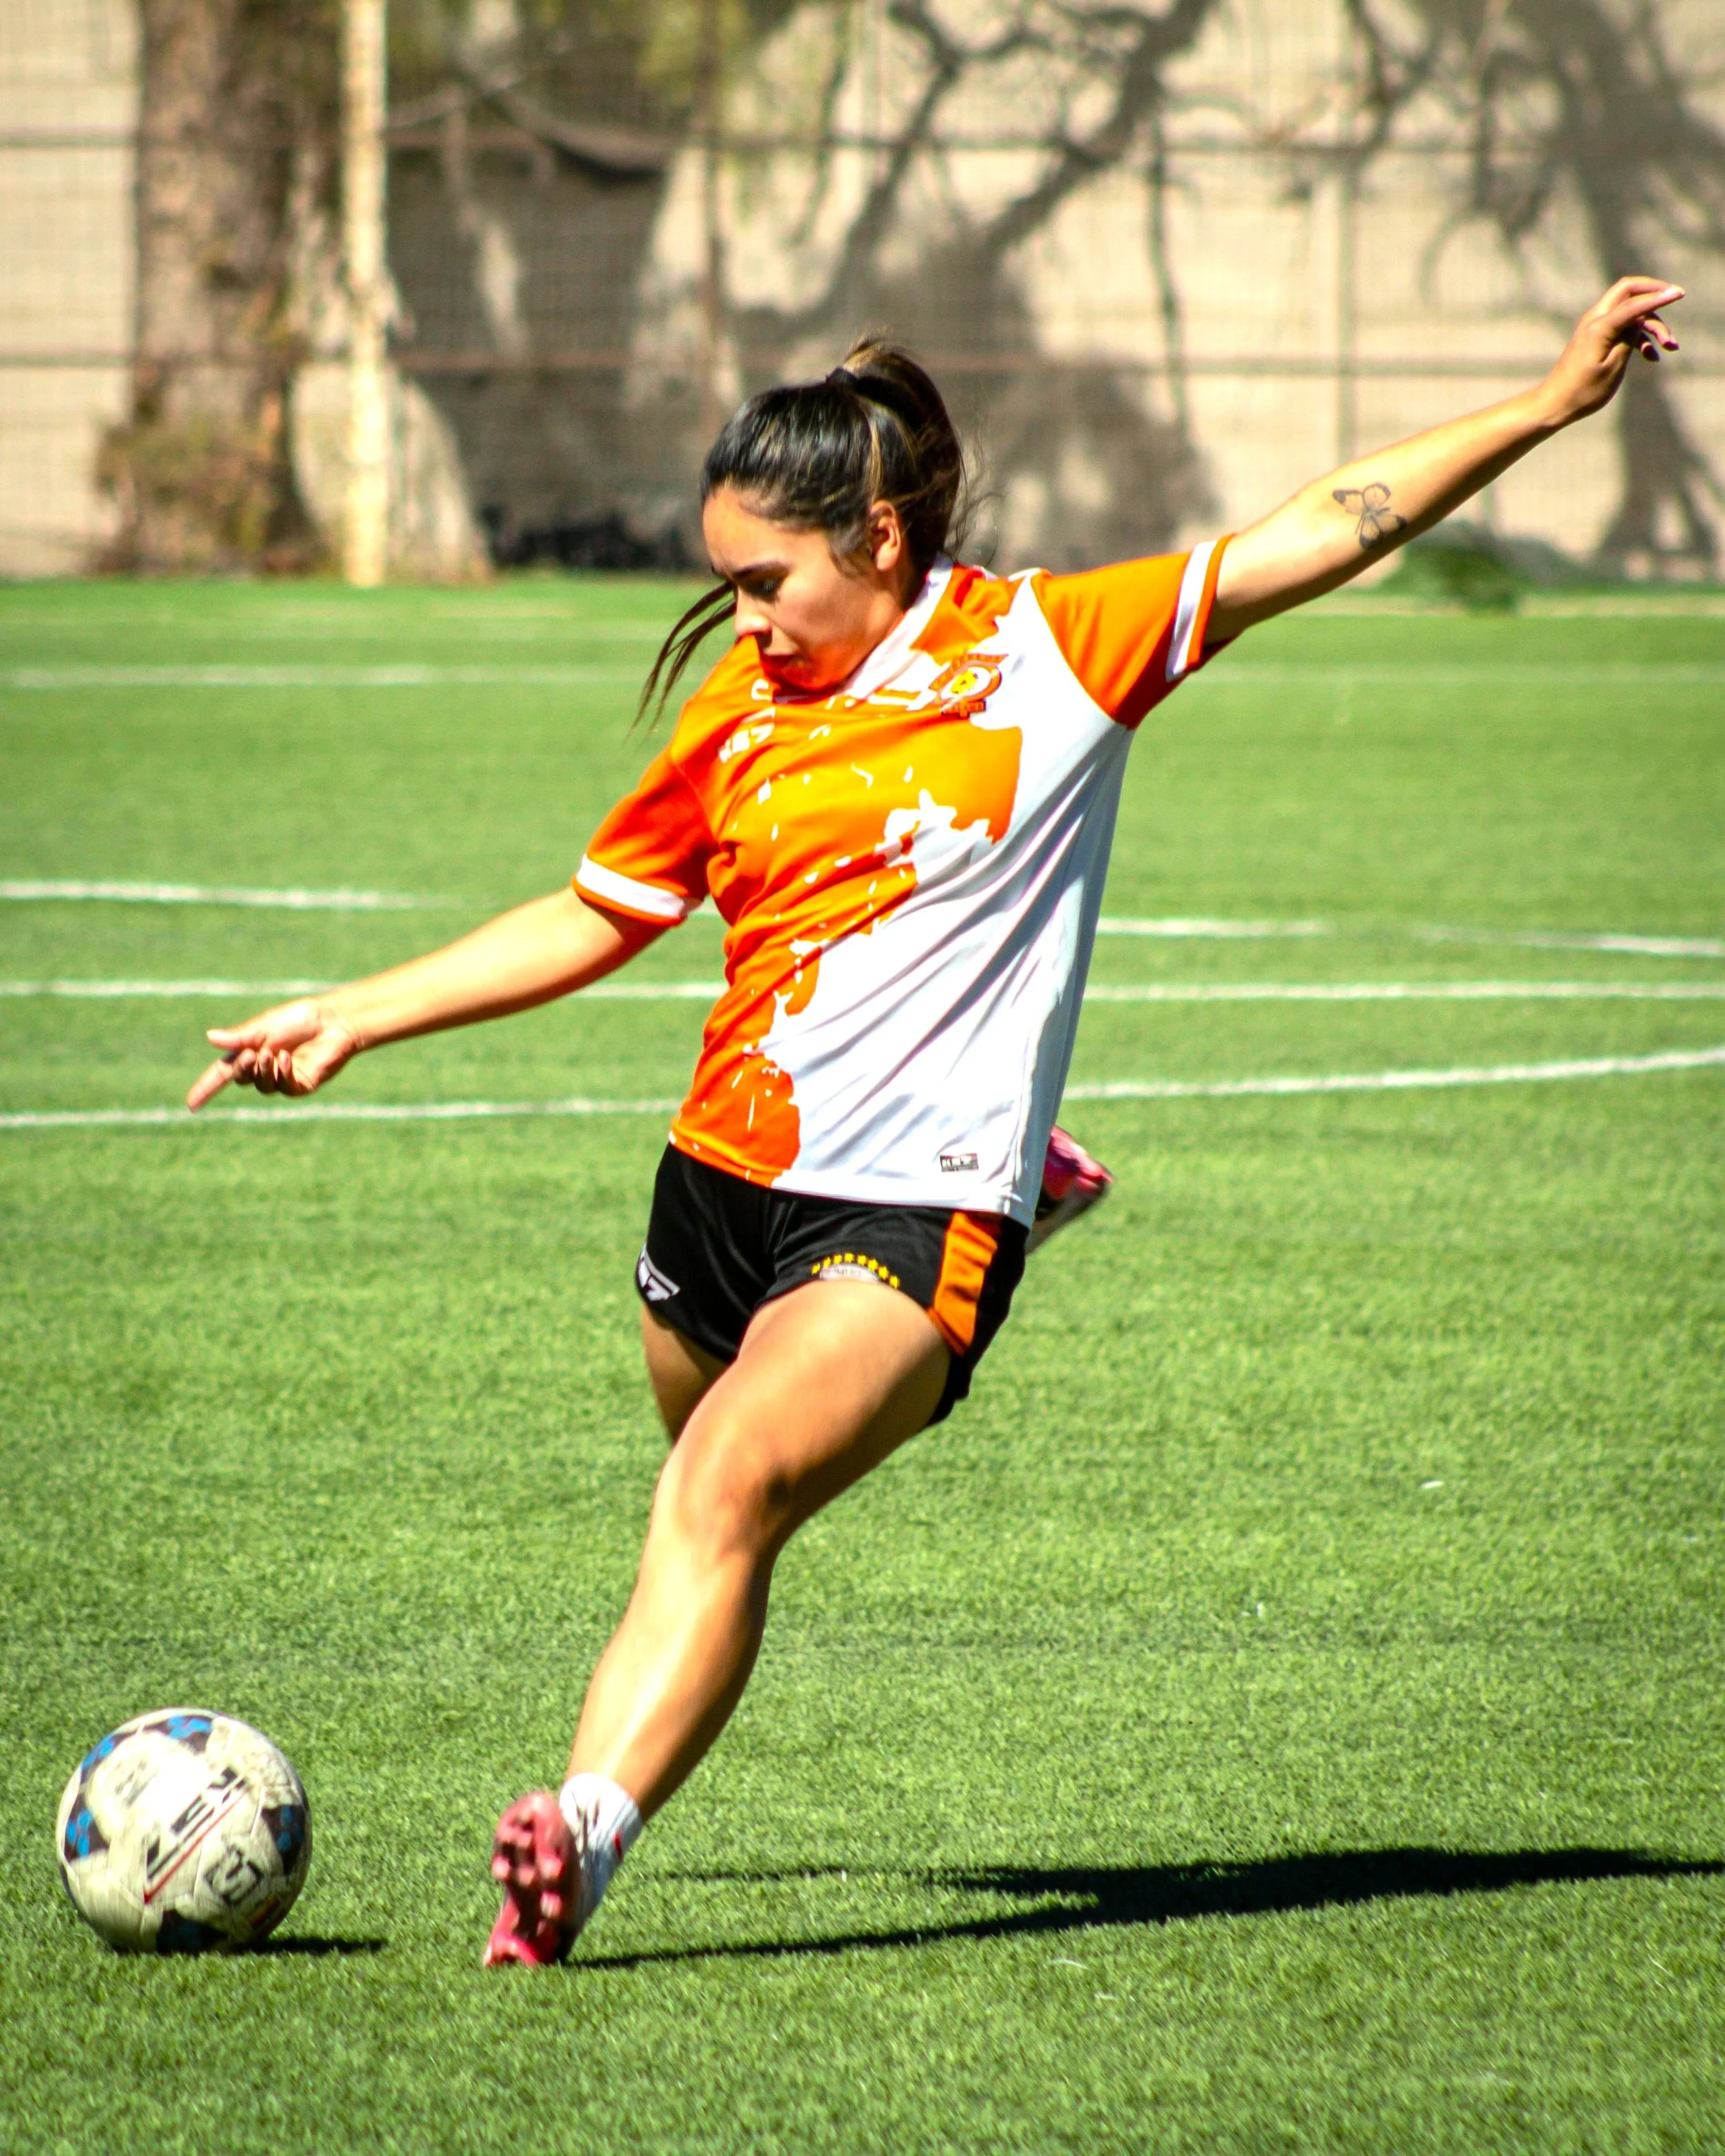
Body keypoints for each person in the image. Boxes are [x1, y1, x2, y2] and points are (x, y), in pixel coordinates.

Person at [186, 275, 1683, 1966]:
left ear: (879, 536)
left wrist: (1546, 406)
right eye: (726, 583)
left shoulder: (1047, 651)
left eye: (768, 580)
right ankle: (1032, 1183)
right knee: (701, 1474)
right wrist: (355, 1013)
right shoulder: (740, 709)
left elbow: (1320, 526)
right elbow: (603, 911)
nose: (741, 616)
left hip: (904, 1213)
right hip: (715, 1188)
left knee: (726, 1489)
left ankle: (579, 1837)